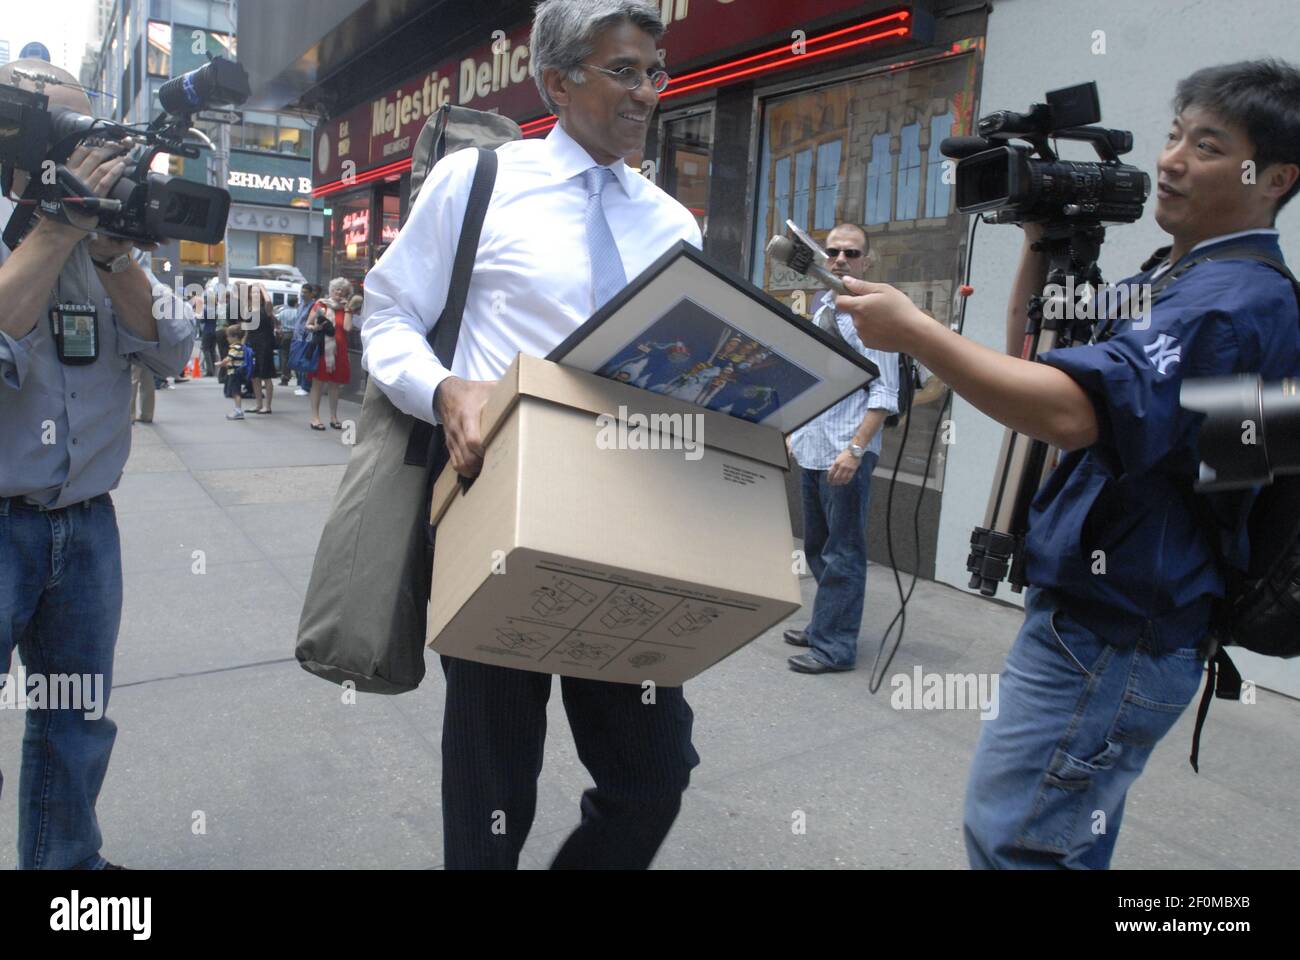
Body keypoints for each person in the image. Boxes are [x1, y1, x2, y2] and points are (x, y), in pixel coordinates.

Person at [838, 59, 1300, 868]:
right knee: (1057, 839)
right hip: (1114, 620)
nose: (1171, 160)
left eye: (1209, 145)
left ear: (1276, 178)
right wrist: (1040, 241)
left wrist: (915, 334)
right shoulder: (1186, 274)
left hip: (1118, 632)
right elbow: (1044, 343)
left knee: (1016, 844)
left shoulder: (1235, 300)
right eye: (1172, 135)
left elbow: (1070, 411)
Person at [362, 0, 700, 869]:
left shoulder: (672, 222)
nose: (646, 93)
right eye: (624, 70)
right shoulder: (477, 183)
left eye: (654, 73)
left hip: (630, 520)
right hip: (493, 508)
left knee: (654, 772)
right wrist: (443, 389)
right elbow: (388, 316)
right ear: (558, 79)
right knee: (491, 785)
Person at [0, 60, 194, 869]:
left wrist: (112, 255)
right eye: (63, 129)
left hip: (85, 526)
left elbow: (174, 348)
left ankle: (64, 872)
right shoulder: (30, 229)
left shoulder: (114, 233)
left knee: (75, 719)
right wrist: (53, 227)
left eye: (93, 130)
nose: (86, 149)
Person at [782, 223, 899, 674]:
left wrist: (854, 450)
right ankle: (822, 626)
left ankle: (835, 648)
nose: (840, 259)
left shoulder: (875, 316)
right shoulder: (824, 306)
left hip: (845, 449)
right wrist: (797, 429)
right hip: (815, 445)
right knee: (817, 545)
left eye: (852, 253)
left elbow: (885, 395)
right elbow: (818, 377)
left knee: (843, 551)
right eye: (833, 251)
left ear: (867, 261)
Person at [307, 277, 353, 430]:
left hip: (339, 351)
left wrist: (347, 309)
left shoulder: (346, 309)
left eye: (342, 291)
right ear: (330, 291)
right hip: (322, 349)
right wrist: (315, 328)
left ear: (347, 294)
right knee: (318, 383)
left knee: (335, 385)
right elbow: (308, 324)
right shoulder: (320, 305)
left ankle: (334, 417)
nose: (338, 293)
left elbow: (347, 328)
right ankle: (315, 417)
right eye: (336, 290)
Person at [246, 283, 280, 414]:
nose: (254, 295)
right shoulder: (249, 308)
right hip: (252, 344)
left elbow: (269, 301)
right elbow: (247, 329)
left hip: (265, 344)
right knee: (254, 376)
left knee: (265, 375)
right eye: (252, 293)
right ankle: (258, 404)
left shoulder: (266, 309)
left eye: (256, 293)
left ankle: (268, 406)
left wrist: (263, 288)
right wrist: (244, 344)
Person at [292, 283, 318, 396]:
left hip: (307, 336)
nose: (303, 294)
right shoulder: (302, 304)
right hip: (298, 336)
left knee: (304, 360)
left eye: (306, 292)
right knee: (299, 360)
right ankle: (302, 384)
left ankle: (306, 386)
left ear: (312, 293)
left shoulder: (313, 305)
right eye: (302, 292)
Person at [218, 324, 248, 421]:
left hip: (234, 373)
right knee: (235, 391)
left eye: (228, 336)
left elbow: (229, 358)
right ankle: (237, 409)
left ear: (235, 337)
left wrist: (221, 363)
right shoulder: (242, 347)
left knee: (235, 392)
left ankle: (238, 410)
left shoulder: (234, 348)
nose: (227, 338)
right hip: (238, 372)